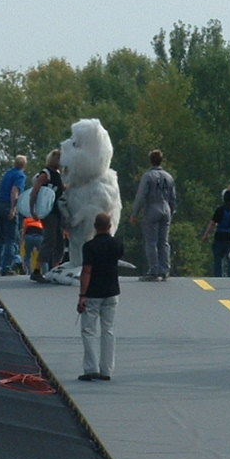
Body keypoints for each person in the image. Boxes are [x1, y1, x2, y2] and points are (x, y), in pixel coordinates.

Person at [77, 212, 124, 382]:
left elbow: (87, 270)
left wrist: (82, 294)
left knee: (89, 330)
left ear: (95, 226)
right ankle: (106, 370)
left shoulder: (89, 247)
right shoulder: (118, 244)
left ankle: (91, 368)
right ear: (110, 226)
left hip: (93, 293)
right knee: (108, 330)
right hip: (112, 292)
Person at [130, 149, 177, 282]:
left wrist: (135, 213)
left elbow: (141, 196)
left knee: (151, 241)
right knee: (164, 242)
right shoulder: (168, 177)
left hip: (152, 207)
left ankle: (154, 269)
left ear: (150, 160)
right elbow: (173, 198)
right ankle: (165, 269)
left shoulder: (148, 176)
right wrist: (172, 212)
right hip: (166, 208)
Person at [29, 149, 65, 283]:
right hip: (48, 212)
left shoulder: (57, 174)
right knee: (49, 240)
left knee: (59, 242)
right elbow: (35, 191)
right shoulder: (46, 174)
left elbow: (62, 189)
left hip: (57, 211)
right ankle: (37, 270)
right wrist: (33, 210)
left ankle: (55, 269)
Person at [0, 154, 28, 275]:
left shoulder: (8, 174)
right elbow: (15, 191)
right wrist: (13, 208)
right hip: (8, 205)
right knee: (11, 240)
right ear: (24, 165)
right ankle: (6, 267)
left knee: (1, 239)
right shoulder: (20, 175)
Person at [200, 193, 230, 278]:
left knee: (217, 259)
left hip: (219, 236)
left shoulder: (220, 210)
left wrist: (206, 235)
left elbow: (212, 224)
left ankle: (218, 276)